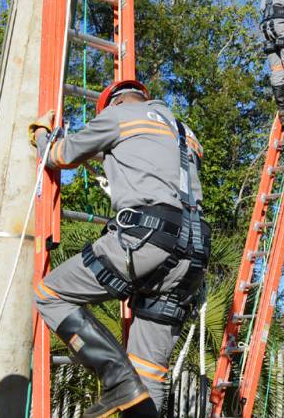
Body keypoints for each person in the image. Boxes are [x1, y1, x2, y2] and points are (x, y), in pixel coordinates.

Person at [29, 80, 211, 418]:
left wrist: (42, 133)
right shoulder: (184, 133)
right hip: (193, 254)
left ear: (113, 104)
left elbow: (58, 156)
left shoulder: (118, 116)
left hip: (147, 237)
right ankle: (131, 387)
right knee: (148, 370)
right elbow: (135, 156)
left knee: (49, 294)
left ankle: (115, 379)